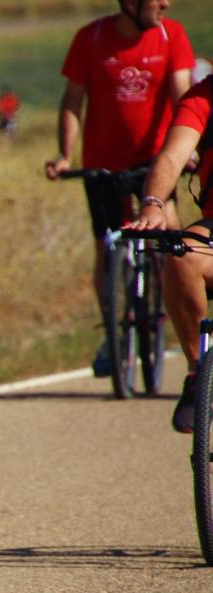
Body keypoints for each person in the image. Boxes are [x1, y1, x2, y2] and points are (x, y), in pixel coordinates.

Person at [43, 0, 194, 377]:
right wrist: (64, 154)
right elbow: (72, 101)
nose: (166, 3)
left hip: (154, 166)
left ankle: (171, 315)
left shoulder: (170, 34)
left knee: (171, 244)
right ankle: (113, 335)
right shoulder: (90, 38)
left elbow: (182, 97)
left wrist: (185, 151)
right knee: (107, 248)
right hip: (103, 166)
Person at [126, 72, 213, 431]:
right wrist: (153, 203)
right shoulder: (204, 97)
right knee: (181, 254)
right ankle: (199, 375)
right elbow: (172, 157)